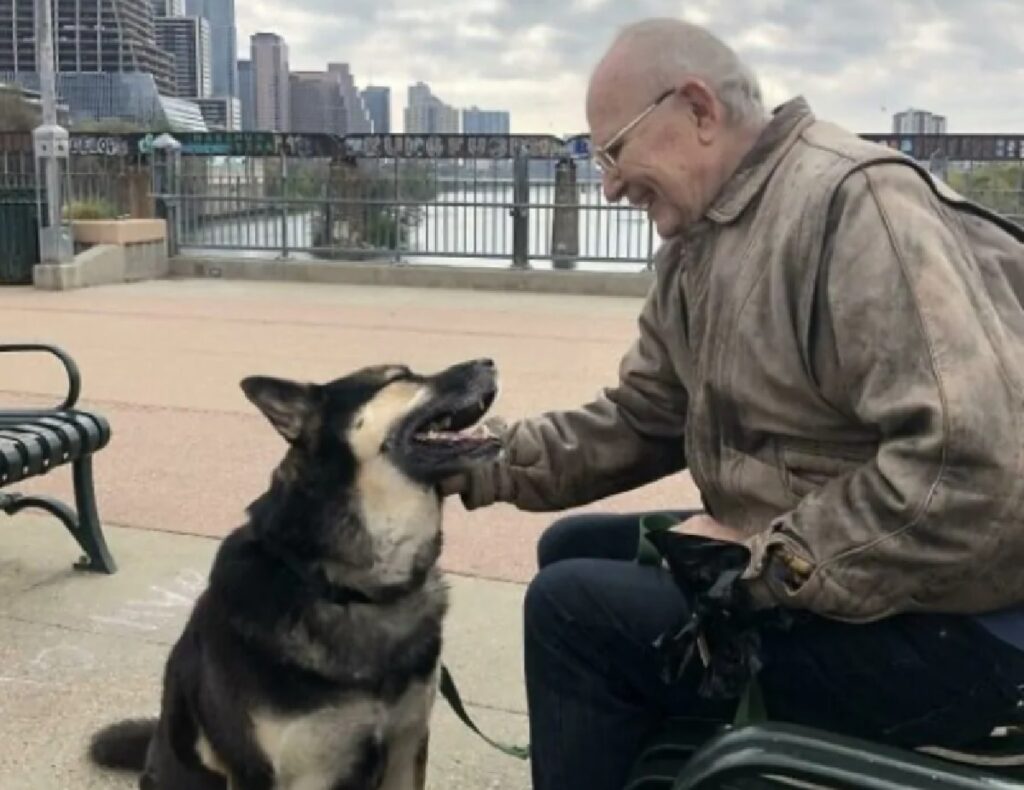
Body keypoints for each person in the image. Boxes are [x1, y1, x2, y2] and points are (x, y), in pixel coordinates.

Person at [442, 16, 1024, 790]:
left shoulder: (855, 206)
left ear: (697, 109)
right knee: (572, 550)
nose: (608, 183)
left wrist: (763, 562)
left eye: (613, 151)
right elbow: (643, 416)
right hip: (865, 589)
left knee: (572, 613)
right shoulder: (699, 247)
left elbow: (967, 467)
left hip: (960, 640)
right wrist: (476, 460)